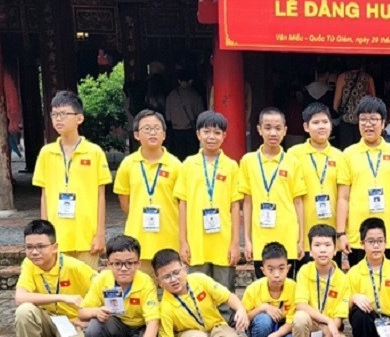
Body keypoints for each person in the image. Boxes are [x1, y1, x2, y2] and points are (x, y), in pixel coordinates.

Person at [13, 219, 96, 337]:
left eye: (41, 246)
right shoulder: (29, 264)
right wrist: (61, 297)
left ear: (55, 247)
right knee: (24, 311)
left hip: (74, 324)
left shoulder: (74, 266)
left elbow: (104, 289)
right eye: (29, 247)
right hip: (48, 321)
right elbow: (20, 297)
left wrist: (88, 318)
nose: (34, 252)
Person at [79, 235, 163, 337]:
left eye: (129, 263)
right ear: (108, 264)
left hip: (141, 329)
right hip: (116, 328)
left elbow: (153, 322)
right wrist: (96, 311)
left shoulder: (145, 282)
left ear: (138, 263)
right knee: (94, 328)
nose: (123, 268)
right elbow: (82, 312)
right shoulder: (101, 280)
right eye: (117, 263)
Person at [33, 91, 111, 269]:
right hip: (57, 235)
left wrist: (100, 234)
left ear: (79, 118)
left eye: (64, 114)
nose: (58, 119)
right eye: (54, 114)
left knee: (87, 283)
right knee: (60, 282)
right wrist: (45, 233)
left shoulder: (94, 152)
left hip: (86, 235)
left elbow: (101, 196)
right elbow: (44, 195)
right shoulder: (46, 153)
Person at [175, 111, 242, 292]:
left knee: (224, 292)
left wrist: (235, 243)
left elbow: (235, 206)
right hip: (196, 241)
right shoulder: (188, 165)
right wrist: (183, 242)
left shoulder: (231, 166)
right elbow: (182, 204)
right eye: (206, 132)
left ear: (224, 136)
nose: (211, 137)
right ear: (198, 134)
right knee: (198, 291)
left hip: (223, 240)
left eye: (217, 132)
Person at [336, 96, 390, 266]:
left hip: (387, 231)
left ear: (383, 122)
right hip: (357, 233)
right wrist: (341, 233)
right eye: (363, 120)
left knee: (385, 278)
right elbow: (343, 197)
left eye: (373, 119)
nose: (368, 124)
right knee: (358, 279)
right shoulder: (348, 154)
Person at [114, 110, 182, 275]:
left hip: (169, 240)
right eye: (147, 128)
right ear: (136, 134)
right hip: (138, 240)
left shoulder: (176, 165)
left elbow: (182, 203)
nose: (152, 132)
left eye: (157, 128)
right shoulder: (128, 164)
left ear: (164, 134)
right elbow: (124, 201)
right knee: (140, 286)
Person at [240, 107, 306, 275]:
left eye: (278, 128)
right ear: (259, 129)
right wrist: (247, 240)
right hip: (260, 235)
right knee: (262, 284)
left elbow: (298, 202)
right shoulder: (248, 161)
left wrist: (300, 240)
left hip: (287, 234)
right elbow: (247, 202)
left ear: (285, 131)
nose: (273, 133)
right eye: (268, 127)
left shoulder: (293, 162)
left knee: (287, 284)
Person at [292, 224, 356, 337]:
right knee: (300, 317)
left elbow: (339, 318)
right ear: (310, 251)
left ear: (335, 250)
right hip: (311, 324)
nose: (322, 250)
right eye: (317, 245)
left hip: (331, 329)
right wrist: (327, 320)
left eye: (327, 245)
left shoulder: (342, 278)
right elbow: (301, 304)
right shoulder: (304, 271)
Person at [288, 102, 346, 268]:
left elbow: (343, 197)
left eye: (325, 122)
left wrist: (341, 233)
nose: (321, 126)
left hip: (331, 233)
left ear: (331, 125)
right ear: (306, 127)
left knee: (331, 279)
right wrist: (298, 237)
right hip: (304, 234)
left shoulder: (339, 156)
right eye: (315, 122)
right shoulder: (294, 154)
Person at [242, 242, 297, 337]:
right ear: (263, 270)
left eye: (281, 268)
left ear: (288, 268)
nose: (276, 274)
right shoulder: (253, 289)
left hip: (283, 332)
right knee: (263, 320)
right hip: (259, 330)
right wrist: (263, 308)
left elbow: (292, 322)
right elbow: (243, 320)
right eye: (271, 269)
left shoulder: (294, 288)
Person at [333, 61, 376, 148]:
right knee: (363, 149)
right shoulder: (368, 78)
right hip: (363, 121)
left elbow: (335, 105)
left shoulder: (342, 77)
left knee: (346, 150)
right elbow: (373, 102)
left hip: (346, 121)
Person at [165, 71, 205, 158]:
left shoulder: (171, 95)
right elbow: (201, 116)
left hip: (176, 132)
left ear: (179, 81)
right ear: (191, 81)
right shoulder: (195, 95)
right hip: (190, 132)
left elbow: (168, 117)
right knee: (192, 157)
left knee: (178, 157)